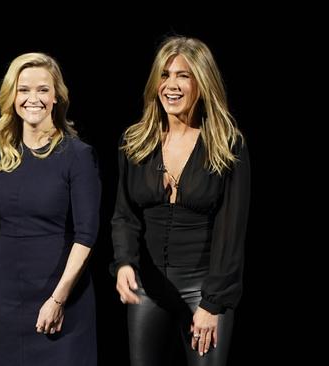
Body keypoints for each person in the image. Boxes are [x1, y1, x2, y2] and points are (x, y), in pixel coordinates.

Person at [111, 36, 250, 366]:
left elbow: (231, 233)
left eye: (183, 75)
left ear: (202, 82)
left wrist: (212, 303)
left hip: (203, 288)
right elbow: (124, 215)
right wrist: (124, 262)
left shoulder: (228, 145)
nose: (170, 85)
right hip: (148, 290)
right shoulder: (135, 142)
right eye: (165, 75)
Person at [0, 52, 100, 365]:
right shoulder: (1, 151)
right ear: (12, 96)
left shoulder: (77, 154)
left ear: (56, 97)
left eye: (42, 89)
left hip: (61, 296)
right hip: (6, 296)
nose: (32, 98)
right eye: (23, 90)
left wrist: (58, 299)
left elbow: (87, 235)